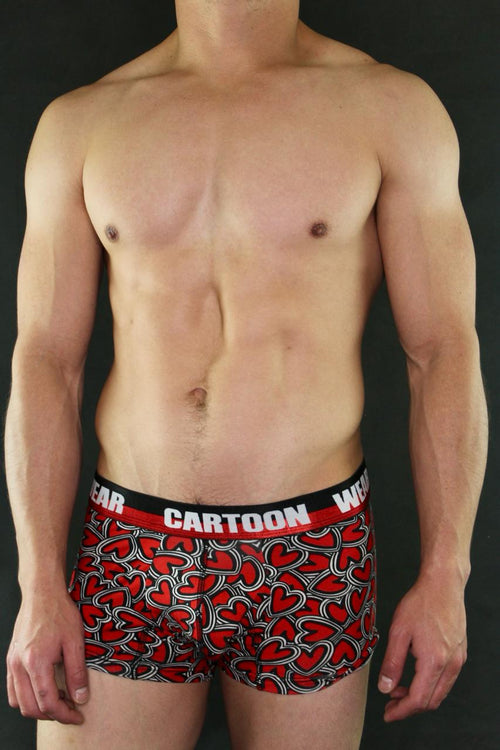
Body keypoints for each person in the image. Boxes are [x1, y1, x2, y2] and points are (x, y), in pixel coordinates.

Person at [5, 1, 488, 749]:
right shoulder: (82, 125)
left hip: (312, 551)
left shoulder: (389, 109)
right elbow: (45, 361)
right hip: (133, 551)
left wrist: (447, 573)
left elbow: (443, 351)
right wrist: (37, 579)